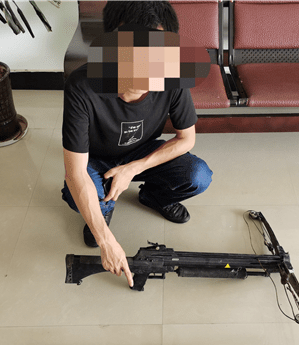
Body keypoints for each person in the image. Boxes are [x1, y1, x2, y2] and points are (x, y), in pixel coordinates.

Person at [61, 1, 213, 288]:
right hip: (97, 158)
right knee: (78, 194)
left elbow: (187, 139)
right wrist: (107, 241)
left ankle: (153, 197)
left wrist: (133, 168)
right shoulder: (82, 85)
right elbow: (75, 172)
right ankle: (104, 211)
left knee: (198, 176)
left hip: (143, 151)